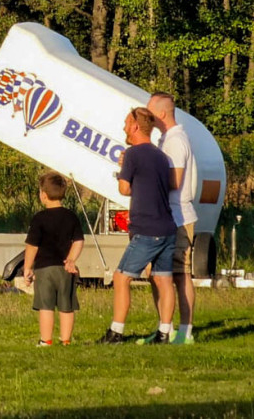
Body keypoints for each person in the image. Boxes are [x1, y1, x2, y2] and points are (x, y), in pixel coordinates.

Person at [98, 107, 177, 345]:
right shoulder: (162, 156)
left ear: (134, 126)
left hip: (146, 229)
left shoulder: (132, 154)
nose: (123, 127)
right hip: (168, 226)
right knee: (164, 279)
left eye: (125, 122)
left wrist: (125, 172)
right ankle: (164, 332)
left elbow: (124, 189)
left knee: (122, 278)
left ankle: (116, 332)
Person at [147, 92, 198, 345]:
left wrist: (146, 179)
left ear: (162, 113)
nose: (147, 116)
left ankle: (185, 330)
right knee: (159, 275)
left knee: (180, 274)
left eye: (151, 111)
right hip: (165, 215)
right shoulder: (165, 139)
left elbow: (175, 180)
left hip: (179, 216)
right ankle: (163, 328)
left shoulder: (176, 140)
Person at [23, 171, 85, 346]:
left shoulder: (39, 219)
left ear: (43, 195)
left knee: (46, 305)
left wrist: (28, 268)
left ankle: (46, 340)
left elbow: (32, 246)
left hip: (44, 269)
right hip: (66, 269)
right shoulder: (71, 216)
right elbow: (79, 240)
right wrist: (71, 260)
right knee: (67, 305)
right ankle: (66, 340)